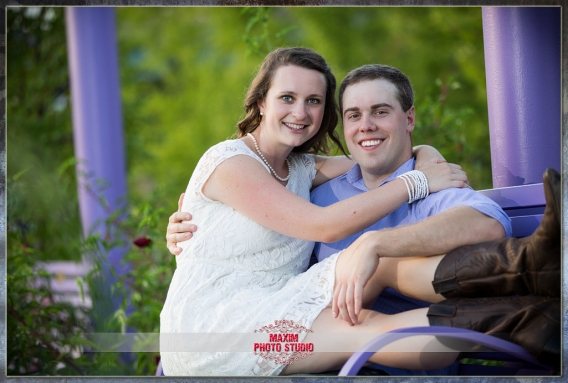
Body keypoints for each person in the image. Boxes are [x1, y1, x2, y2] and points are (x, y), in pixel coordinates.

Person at [160, 48, 559, 376]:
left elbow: (386, 154)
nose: (300, 112)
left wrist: (426, 156)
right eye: (287, 98)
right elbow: (324, 226)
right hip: (214, 330)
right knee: (368, 270)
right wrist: (416, 184)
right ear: (260, 100)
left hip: (274, 309)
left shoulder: (304, 169)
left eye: (313, 101)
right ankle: (527, 282)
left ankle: (529, 311)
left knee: (368, 312)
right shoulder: (230, 162)